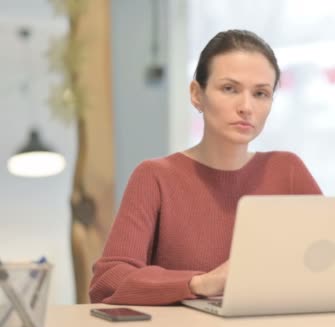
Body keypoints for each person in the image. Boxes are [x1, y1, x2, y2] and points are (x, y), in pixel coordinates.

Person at [89, 30, 322, 305]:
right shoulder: (154, 177)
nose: (246, 107)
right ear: (197, 94)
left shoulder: (288, 170)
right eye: (229, 89)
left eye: (261, 93)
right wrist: (200, 283)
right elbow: (107, 282)